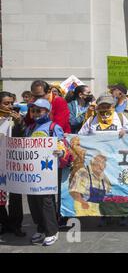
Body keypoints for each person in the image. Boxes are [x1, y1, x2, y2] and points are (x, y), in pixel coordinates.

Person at [78, 93, 128, 227]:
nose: (104, 107)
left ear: (112, 105)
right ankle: (104, 215)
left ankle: (122, 215)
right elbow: (80, 136)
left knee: (119, 187)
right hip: (98, 162)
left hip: (117, 160)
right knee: (101, 188)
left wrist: (126, 133)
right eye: (102, 104)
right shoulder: (92, 120)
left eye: (107, 104)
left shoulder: (120, 117)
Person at [26, 99, 68, 246]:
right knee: (32, 199)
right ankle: (41, 228)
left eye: (39, 110)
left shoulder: (53, 127)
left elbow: (62, 143)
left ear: (47, 111)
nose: (36, 113)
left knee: (46, 200)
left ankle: (52, 231)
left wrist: (61, 151)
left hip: (48, 169)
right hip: (32, 170)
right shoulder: (30, 127)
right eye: (33, 110)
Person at [0, 92, 25, 237]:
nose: (10, 106)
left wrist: (19, 123)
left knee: (15, 195)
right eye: (6, 103)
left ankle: (16, 225)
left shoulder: (15, 119)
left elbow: (22, 136)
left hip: (12, 162)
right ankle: (5, 223)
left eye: (11, 103)